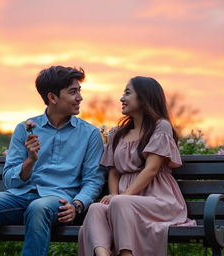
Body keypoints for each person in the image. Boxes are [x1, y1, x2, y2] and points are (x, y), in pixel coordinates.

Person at [0, 65, 105, 256]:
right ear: (52, 98)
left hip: (59, 200)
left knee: (38, 208)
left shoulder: (90, 134)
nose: (80, 98)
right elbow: (9, 180)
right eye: (73, 92)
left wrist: (78, 204)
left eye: (79, 91)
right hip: (21, 196)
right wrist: (30, 160)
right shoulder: (25, 128)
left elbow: (93, 179)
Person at [78, 76, 196, 256]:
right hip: (124, 201)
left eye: (127, 93)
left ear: (143, 97)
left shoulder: (160, 127)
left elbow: (151, 169)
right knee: (96, 209)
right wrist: (115, 196)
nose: (121, 98)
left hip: (158, 200)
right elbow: (113, 172)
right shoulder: (118, 133)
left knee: (118, 203)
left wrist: (121, 198)